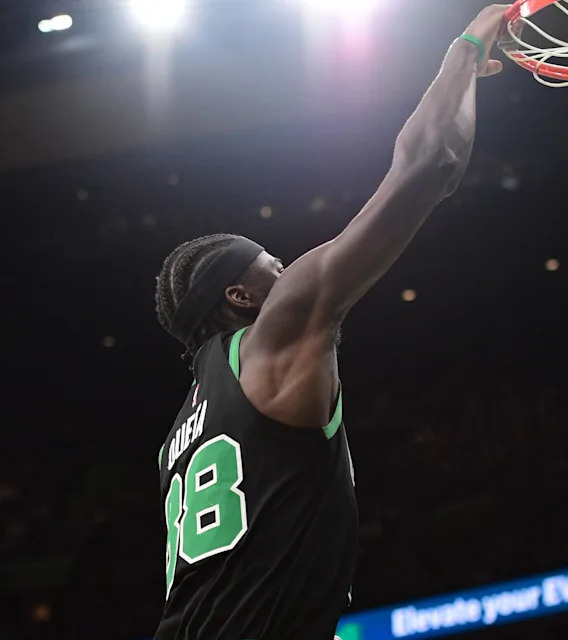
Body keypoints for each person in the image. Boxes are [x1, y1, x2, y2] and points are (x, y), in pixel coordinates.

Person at [151, 6, 509, 639]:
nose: (289, 271)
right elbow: (431, 163)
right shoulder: (274, 335)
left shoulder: (179, 434)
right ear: (241, 294)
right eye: (274, 266)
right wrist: (468, 43)